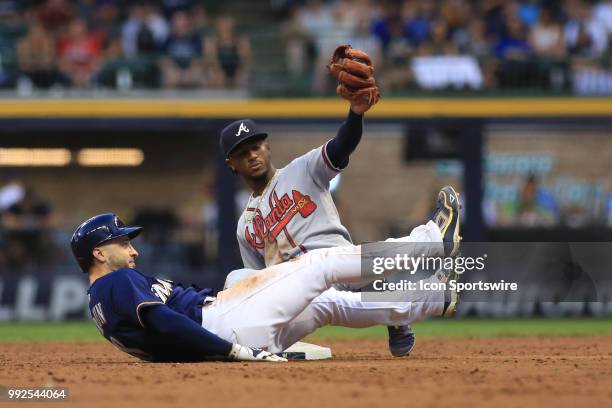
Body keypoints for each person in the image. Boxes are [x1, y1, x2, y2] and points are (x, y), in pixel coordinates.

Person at [71, 187, 460, 362]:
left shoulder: (101, 300)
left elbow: (160, 340)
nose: (133, 248)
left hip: (227, 323)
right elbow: (164, 321)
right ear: (99, 253)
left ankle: (431, 298)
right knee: (319, 264)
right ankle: (427, 243)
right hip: (225, 326)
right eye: (123, 243)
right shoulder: (115, 282)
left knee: (323, 304)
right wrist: (229, 350)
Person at [219, 90, 420, 356]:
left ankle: (392, 304)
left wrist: (355, 114)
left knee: (366, 264)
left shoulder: (303, 169)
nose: (252, 156)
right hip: (297, 291)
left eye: (256, 147)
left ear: (267, 147)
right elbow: (256, 281)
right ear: (231, 164)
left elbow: (341, 146)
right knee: (235, 279)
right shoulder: (245, 226)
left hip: (340, 268)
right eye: (242, 153)